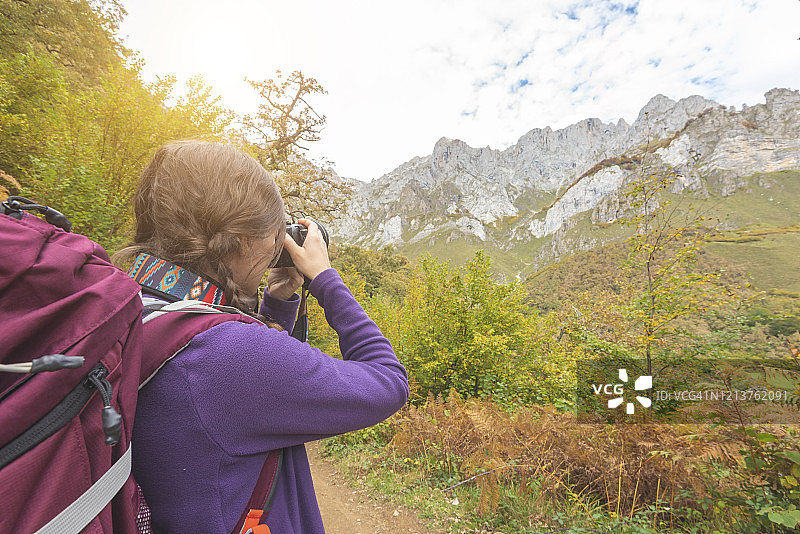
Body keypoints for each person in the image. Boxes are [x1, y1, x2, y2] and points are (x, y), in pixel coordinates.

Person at [114, 140, 409, 533]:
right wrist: (325, 280)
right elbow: (388, 381)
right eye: (274, 235)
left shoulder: (135, 309)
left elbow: (235, 405)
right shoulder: (224, 357)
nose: (277, 247)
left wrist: (276, 303)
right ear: (242, 240)